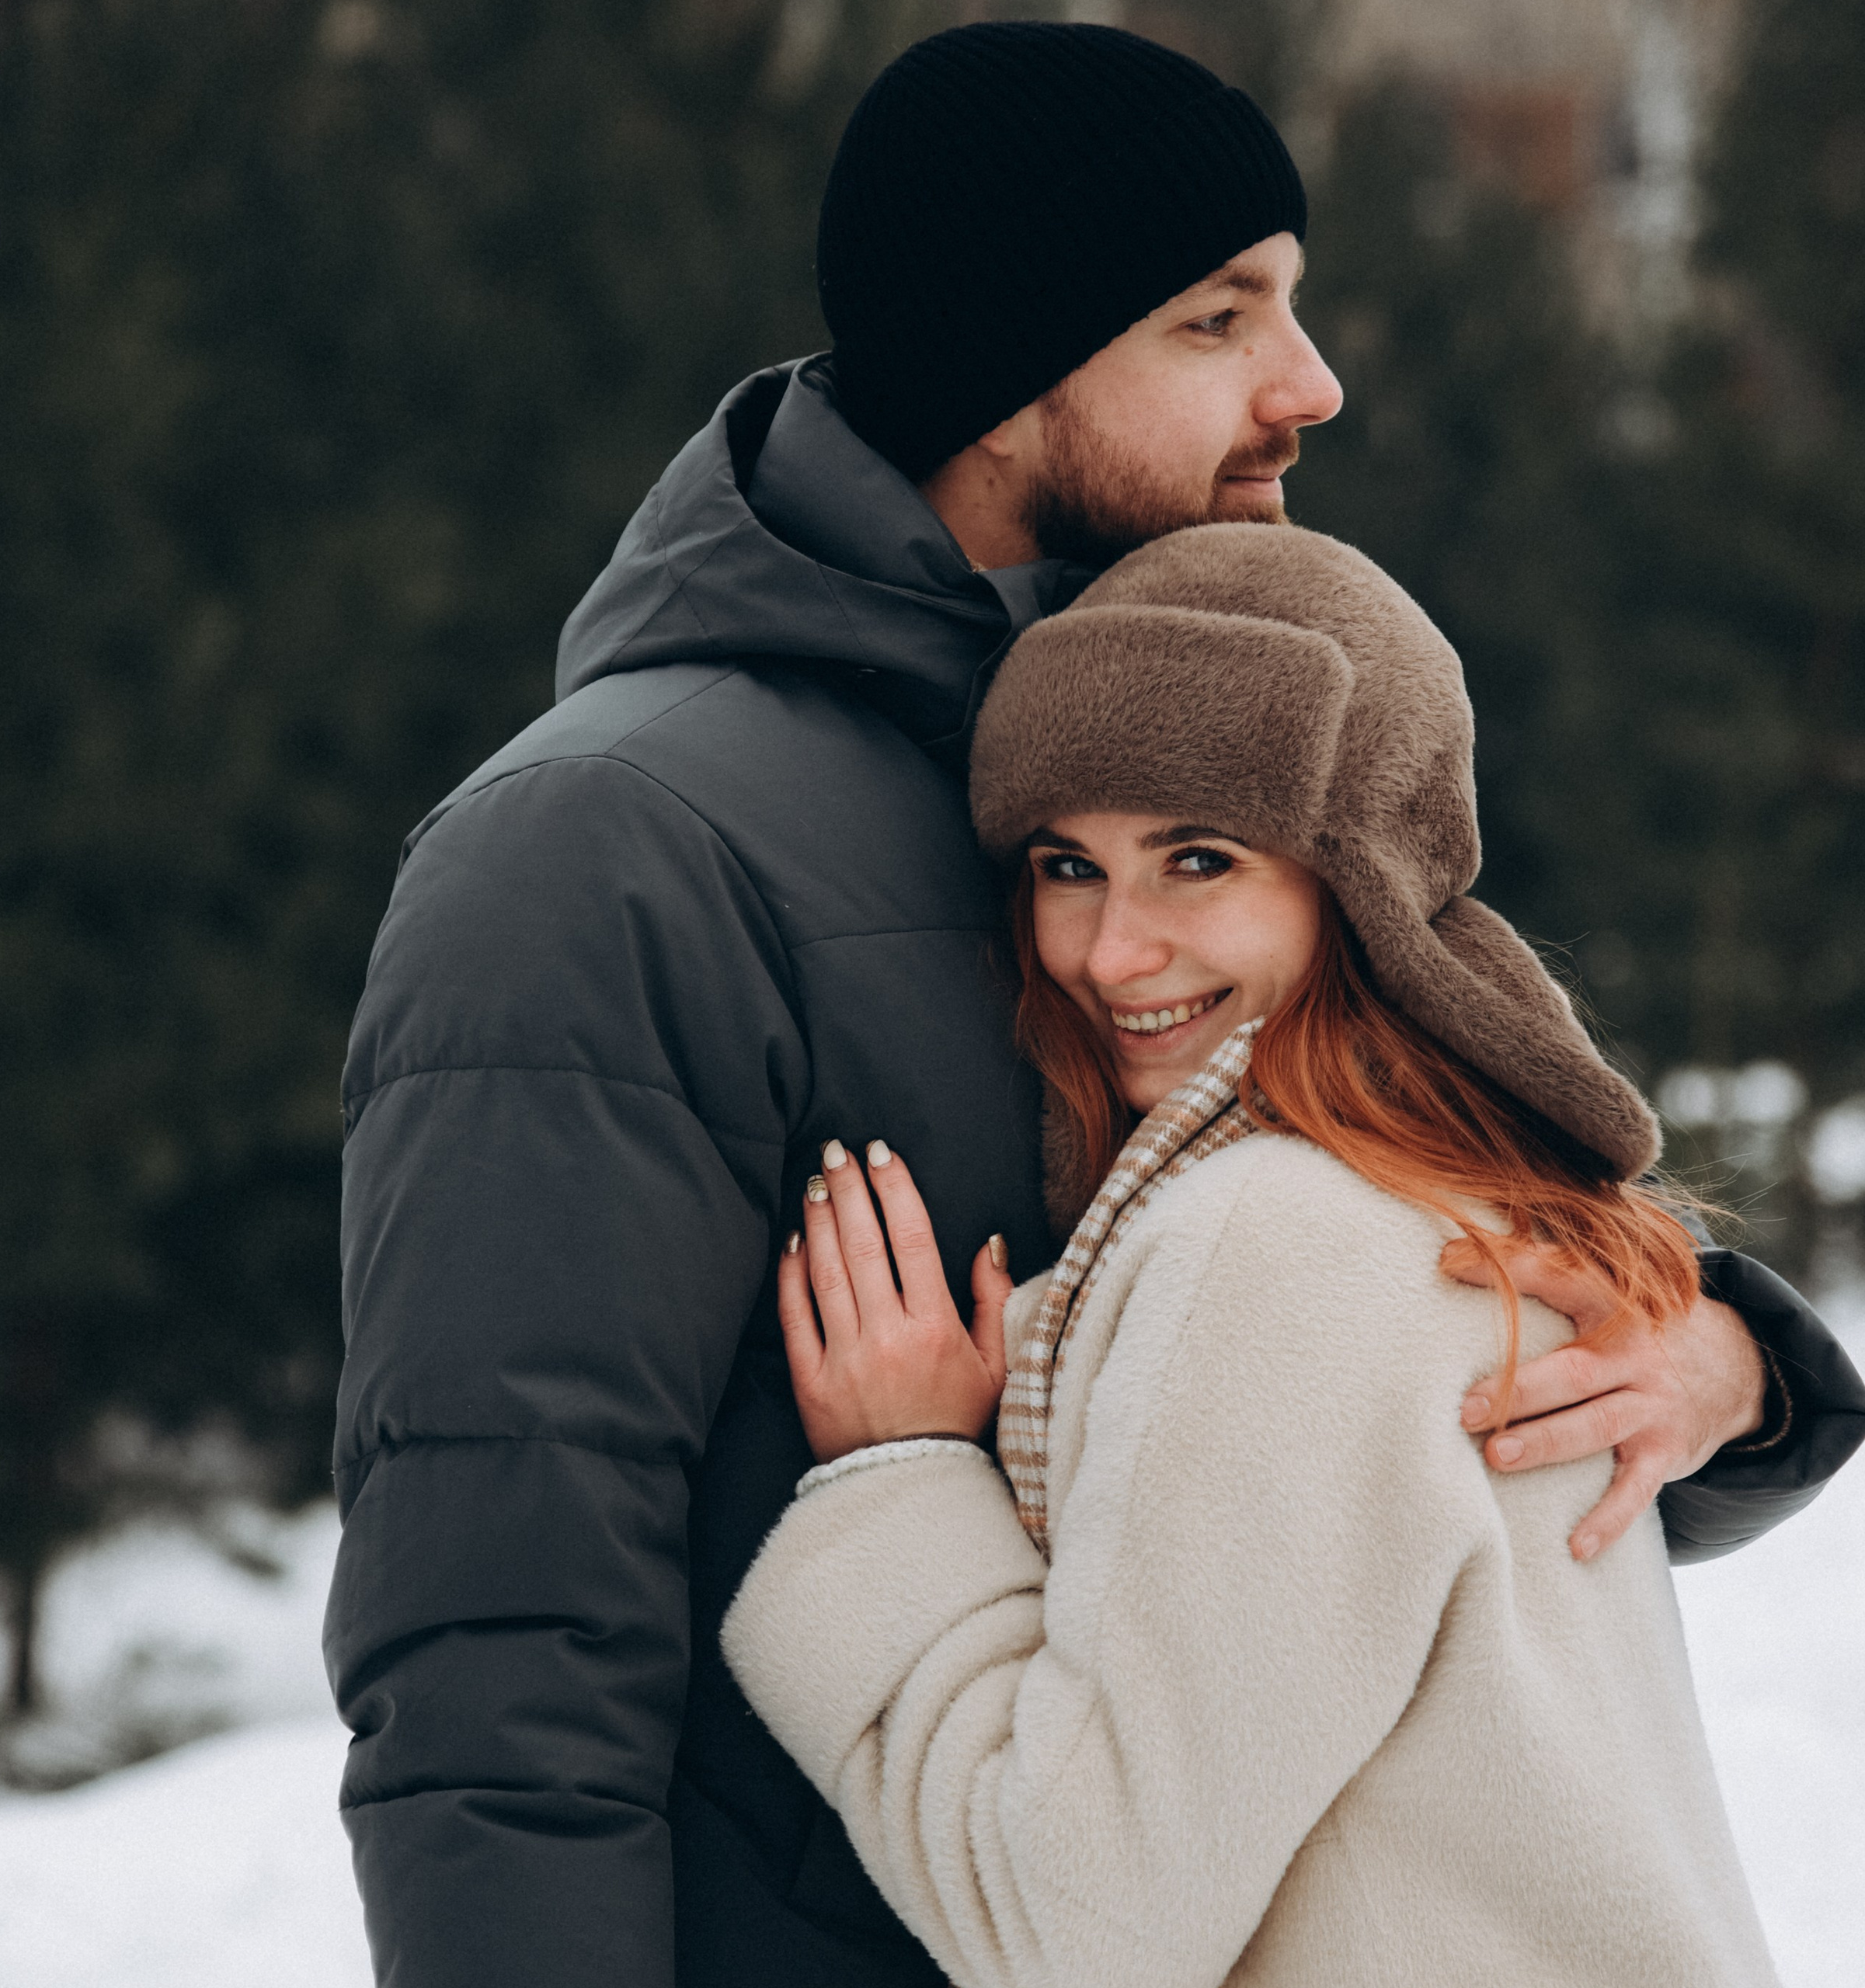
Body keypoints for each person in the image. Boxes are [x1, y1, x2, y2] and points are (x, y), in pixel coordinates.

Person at [324, 22, 1865, 1988]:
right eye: (1218, 320)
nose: (1309, 385)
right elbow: (495, 1636)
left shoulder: (1193, 744)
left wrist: (1714, 1360)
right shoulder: (602, 852)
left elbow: (1358, 1285)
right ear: (1005, 364)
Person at [724, 523, 1861, 1986]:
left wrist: (898, 1483)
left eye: (1199, 861)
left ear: (1357, 888)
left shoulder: (1273, 1237)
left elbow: (1077, 1929)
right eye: (1070, 864)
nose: (1111, 951)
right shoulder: (1448, 1195)